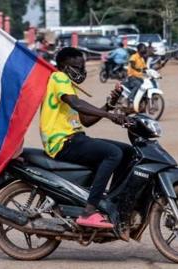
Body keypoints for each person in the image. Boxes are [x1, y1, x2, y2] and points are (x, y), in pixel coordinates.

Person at [40, 47, 133, 230]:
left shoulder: (68, 85)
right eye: (76, 67)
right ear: (63, 67)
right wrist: (110, 116)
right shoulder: (58, 78)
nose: (81, 71)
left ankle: (112, 202)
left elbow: (86, 120)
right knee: (113, 153)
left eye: (82, 67)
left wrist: (110, 104)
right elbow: (76, 104)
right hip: (62, 141)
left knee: (128, 151)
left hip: (75, 138)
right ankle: (89, 211)